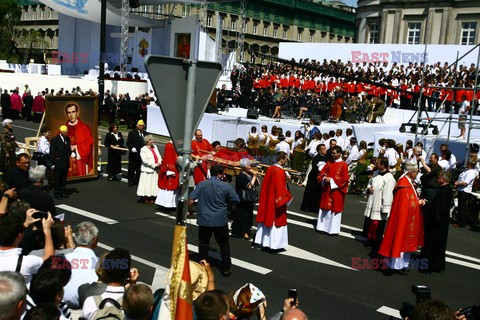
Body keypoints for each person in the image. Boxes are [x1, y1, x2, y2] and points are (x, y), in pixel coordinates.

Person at [188, 166, 240, 276]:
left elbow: (191, 199)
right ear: (220, 174)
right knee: (224, 244)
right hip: (220, 220)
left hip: (204, 219)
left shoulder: (202, 184)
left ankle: (203, 266)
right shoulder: (226, 186)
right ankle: (226, 268)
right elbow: (236, 199)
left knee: (203, 243)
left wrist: (190, 210)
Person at [378, 160, 426, 275]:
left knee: (405, 243)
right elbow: (405, 204)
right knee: (399, 241)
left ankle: (403, 264)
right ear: (411, 172)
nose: (417, 174)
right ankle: (394, 265)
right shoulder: (403, 184)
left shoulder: (408, 182)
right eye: (416, 172)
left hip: (408, 219)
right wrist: (418, 202)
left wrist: (417, 200)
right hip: (402, 219)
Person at [0, 210, 54, 284]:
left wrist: (26, 224)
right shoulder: (26, 262)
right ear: (20, 235)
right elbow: (49, 258)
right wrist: (47, 229)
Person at [254, 152, 293, 251]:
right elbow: (280, 188)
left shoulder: (270, 169)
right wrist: (286, 198)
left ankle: (264, 241)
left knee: (267, 219)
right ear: (281, 159)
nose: (286, 161)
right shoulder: (279, 171)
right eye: (285, 159)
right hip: (276, 200)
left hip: (268, 198)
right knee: (276, 221)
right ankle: (274, 244)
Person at [421, 171, 453, 273]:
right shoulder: (445, 190)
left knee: (433, 244)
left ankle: (429, 265)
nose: (437, 179)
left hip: (437, 223)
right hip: (439, 221)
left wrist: (429, 213)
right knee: (437, 244)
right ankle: (434, 264)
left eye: (438, 177)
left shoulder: (444, 191)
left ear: (442, 179)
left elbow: (440, 209)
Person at [63, 221, 99, 309]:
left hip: (62, 307)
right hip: (90, 310)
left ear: (76, 238)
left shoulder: (61, 259)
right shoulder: (102, 264)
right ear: (95, 240)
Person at [362, 157, 396, 249]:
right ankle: (369, 239)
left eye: (377, 163)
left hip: (380, 204)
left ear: (383, 165)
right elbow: (370, 183)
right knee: (370, 222)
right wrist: (369, 188)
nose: (375, 165)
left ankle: (376, 242)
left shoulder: (389, 178)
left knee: (377, 224)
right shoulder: (376, 173)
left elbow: (388, 194)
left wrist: (385, 209)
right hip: (373, 200)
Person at [316, 145, 349, 235]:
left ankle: (332, 230)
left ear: (339, 153)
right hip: (327, 190)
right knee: (325, 207)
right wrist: (324, 178)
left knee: (334, 209)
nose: (332, 155)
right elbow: (322, 173)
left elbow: (345, 179)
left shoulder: (344, 165)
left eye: (334, 153)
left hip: (337, 191)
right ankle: (322, 227)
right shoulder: (329, 163)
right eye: (332, 153)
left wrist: (332, 180)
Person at [231, 158, 259, 240]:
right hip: (242, 199)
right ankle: (242, 232)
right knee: (243, 215)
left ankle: (247, 230)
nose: (250, 166)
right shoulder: (241, 176)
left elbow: (257, 183)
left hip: (249, 199)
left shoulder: (248, 174)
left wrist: (254, 176)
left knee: (249, 215)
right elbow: (249, 186)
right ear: (244, 167)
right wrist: (254, 176)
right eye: (248, 165)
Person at [64, 103, 94, 177]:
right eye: (69, 112)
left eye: (73, 112)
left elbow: (89, 143)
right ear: (66, 114)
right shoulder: (64, 128)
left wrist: (76, 147)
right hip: (66, 159)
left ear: (77, 113)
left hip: (79, 160)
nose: (71, 115)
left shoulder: (84, 128)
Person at [301, 144, 326, 213]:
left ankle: (314, 207)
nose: (325, 150)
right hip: (313, 177)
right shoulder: (317, 157)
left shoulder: (324, 158)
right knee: (310, 192)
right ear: (320, 151)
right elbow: (316, 167)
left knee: (317, 193)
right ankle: (306, 206)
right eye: (323, 149)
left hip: (319, 177)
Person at [137, 135, 161, 204]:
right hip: (147, 170)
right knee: (147, 184)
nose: (153, 141)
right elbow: (145, 160)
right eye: (151, 140)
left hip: (155, 169)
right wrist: (154, 165)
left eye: (153, 139)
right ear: (147, 141)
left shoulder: (155, 147)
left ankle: (152, 196)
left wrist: (159, 162)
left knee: (153, 184)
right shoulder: (143, 149)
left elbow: (158, 156)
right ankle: (146, 198)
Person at [155, 141, 179, 209]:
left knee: (173, 188)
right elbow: (168, 158)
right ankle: (165, 204)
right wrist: (170, 170)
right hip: (170, 168)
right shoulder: (169, 145)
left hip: (175, 168)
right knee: (168, 188)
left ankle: (171, 204)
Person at [453, 161, 477, 228]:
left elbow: (465, 183)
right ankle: (460, 221)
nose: (466, 164)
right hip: (461, 190)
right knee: (460, 206)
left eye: (467, 163)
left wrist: (457, 183)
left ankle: (461, 222)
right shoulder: (466, 171)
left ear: (470, 165)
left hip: (465, 191)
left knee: (462, 207)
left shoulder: (471, 173)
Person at [49, 126, 70, 200]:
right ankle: (57, 193)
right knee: (57, 178)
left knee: (64, 178)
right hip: (58, 162)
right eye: (65, 132)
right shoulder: (55, 139)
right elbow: (52, 152)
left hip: (65, 161)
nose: (66, 133)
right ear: (61, 132)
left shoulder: (67, 139)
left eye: (67, 131)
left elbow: (68, 149)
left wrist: (71, 153)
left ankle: (62, 191)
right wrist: (52, 163)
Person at [127, 120, 147, 187]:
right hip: (134, 154)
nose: (142, 127)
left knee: (139, 168)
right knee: (132, 168)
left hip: (142, 154)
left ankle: (137, 180)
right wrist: (132, 147)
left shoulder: (145, 134)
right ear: (137, 126)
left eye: (143, 126)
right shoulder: (132, 133)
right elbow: (128, 142)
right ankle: (130, 180)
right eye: (140, 125)